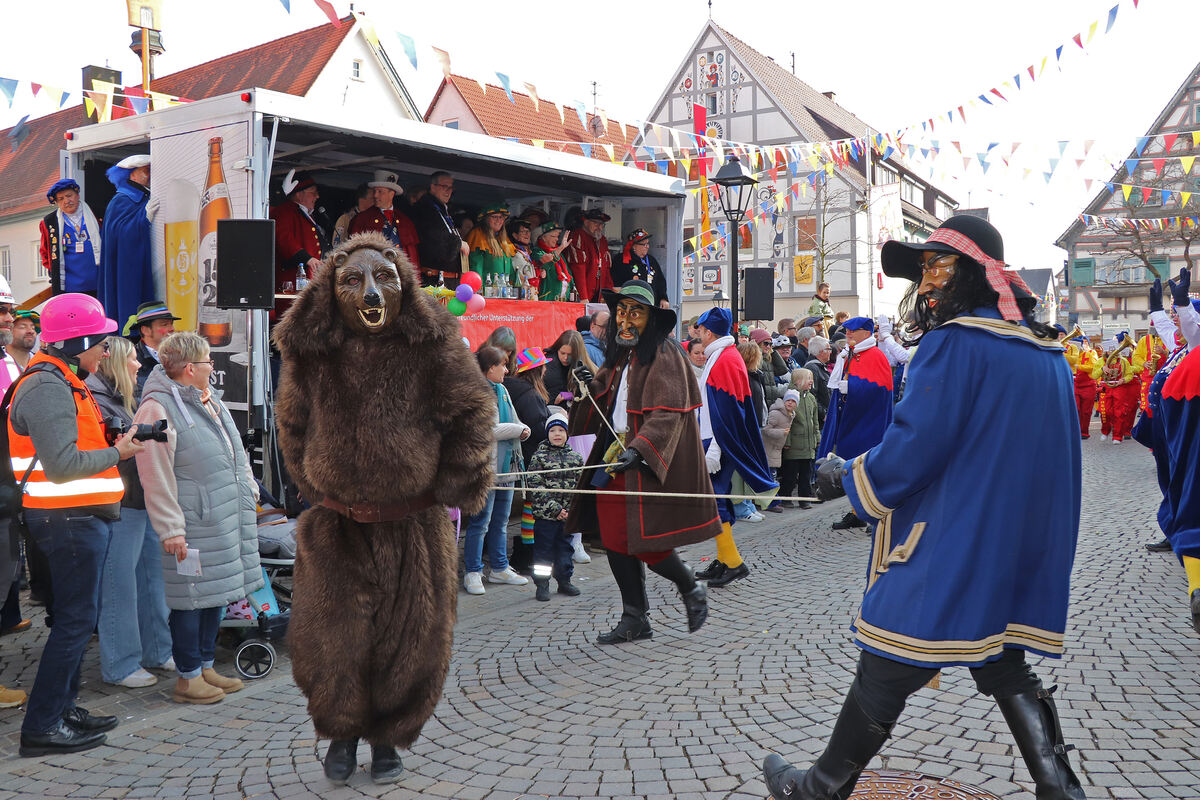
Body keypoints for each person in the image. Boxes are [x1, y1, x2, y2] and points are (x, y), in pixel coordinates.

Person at [762, 214, 1085, 800]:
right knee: (1002, 659)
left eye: (938, 266)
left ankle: (819, 788)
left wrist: (850, 476)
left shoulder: (954, 343)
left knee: (888, 656)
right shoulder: (1046, 351)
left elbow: (916, 445)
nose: (928, 284)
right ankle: (1060, 788)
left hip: (955, 536)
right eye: (925, 271)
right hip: (1019, 542)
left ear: (972, 274)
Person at [13, 293, 144, 757]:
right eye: (101, 342)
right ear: (79, 339)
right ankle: (43, 725)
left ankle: (63, 709)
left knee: (76, 619)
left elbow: (71, 444)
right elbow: (64, 464)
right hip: (68, 519)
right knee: (74, 623)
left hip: (78, 517)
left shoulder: (64, 377)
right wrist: (120, 452)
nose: (105, 350)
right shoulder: (49, 384)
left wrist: (110, 439)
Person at [565, 280, 714, 643]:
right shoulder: (621, 354)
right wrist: (590, 384)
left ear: (652, 319)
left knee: (645, 539)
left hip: (648, 460)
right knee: (616, 539)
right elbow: (608, 398)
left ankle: (690, 584)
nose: (626, 319)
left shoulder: (664, 353)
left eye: (636, 311)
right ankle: (635, 617)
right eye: (621, 311)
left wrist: (641, 448)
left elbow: (667, 413)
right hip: (616, 455)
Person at [133, 332, 263, 706]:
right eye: (208, 361)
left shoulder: (210, 400)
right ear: (190, 369)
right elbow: (154, 472)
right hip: (192, 520)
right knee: (189, 599)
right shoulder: (156, 409)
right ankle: (188, 677)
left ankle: (205, 666)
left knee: (214, 596)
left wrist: (248, 489)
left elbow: (235, 451)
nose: (212, 366)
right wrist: (170, 528)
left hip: (222, 515)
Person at [86, 336, 174, 688]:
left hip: (139, 499)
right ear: (114, 363)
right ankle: (121, 663)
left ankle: (157, 650)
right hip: (117, 505)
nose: (139, 365)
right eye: (133, 359)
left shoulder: (121, 396)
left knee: (152, 581)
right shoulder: (97, 397)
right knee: (120, 584)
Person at [692, 307, 778, 588]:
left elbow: (727, 412)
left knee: (716, 499)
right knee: (720, 498)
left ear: (708, 331)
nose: (698, 335)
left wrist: (715, 449)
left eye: (700, 330)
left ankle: (733, 562)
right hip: (715, 438)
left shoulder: (725, 359)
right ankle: (723, 560)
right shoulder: (723, 355)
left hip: (718, 441)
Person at [463, 346, 530, 595]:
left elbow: (513, 419)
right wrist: (517, 429)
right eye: (502, 365)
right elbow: (486, 430)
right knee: (481, 521)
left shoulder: (502, 390)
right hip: (487, 468)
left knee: (501, 520)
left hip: (507, 465)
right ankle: (473, 571)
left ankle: (500, 567)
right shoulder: (476, 393)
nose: (507, 369)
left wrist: (523, 429)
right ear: (490, 368)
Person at [816, 317, 893, 530]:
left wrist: (853, 387)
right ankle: (857, 511)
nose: (848, 334)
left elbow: (880, 388)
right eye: (847, 330)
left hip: (869, 423)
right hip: (851, 419)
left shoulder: (875, 355)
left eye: (853, 330)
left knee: (867, 468)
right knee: (851, 466)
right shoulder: (851, 354)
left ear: (866, 333)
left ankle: (875, 514)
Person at [526, 411, 584, 601]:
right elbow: (536, 487)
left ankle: (564, 580)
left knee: (565, 550)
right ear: (547, 433)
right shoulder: (539, 457)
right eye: (553, 430)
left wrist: (570, 511)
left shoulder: (575, 458)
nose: (557, 434)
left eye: (561, 430)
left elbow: (580, 487)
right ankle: (542, 584)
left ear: (567, 434)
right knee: (543, 553)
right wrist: (555, 509)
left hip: (566, 517)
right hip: (546, 517)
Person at [100, 155, 156, 327]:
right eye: (146, 171)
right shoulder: (121, 200)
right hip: (127, 270)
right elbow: (122, 236)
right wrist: (144, 219)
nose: (150, 175)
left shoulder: (142, 197)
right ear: (132, 175)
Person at [271, 171, 331, 320]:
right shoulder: (284, 211)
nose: (317, 197)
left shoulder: (305, 215)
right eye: (313, 193)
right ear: (299, 194)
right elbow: (284, 239)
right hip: (291, 283)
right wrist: (308, 259)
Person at [39, 178, 102, 296]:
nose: (66, 201)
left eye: (69, 196)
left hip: (98, 281)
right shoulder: (49, 222)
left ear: (77, 195)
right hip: (69, 286)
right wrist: (54, 272)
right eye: (61, 199)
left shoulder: (96, 214)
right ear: (56, 202)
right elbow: (45, 253)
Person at [349, 170, 420, 268]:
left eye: (380, 192)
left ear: (391, 194)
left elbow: (413, 258)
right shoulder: (362, 219)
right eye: (375, 191)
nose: (375, 195)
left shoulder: (405, 221)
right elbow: (355, 254)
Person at [411, 171, 468, 287]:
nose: (448, 191)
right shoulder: (424, 209)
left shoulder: (442, 209)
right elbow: (432, 237)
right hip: (432, 281)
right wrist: (459, 243)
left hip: (448, 281)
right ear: (433, 187)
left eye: (451, 188)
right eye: (444, 187)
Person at [123, 300, 179, 400]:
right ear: (146, 330)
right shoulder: (130, 361)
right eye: (165, 324)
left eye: (171, 324)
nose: (172, 329)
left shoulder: (181, 357)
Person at [780, 373, 820, 509]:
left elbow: (815, 421)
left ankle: (804, 499)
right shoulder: (790, 397)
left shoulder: (811, 398)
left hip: (808, 444)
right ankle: (785, 497)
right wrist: (787, 441)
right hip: (794, 444)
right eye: (808, 378)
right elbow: (786, 421)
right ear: (798, 381)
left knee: (806, 474)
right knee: (790, 474)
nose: (811, 381)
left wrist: (817, 437)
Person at [564, 208, 613, 302]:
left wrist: (608, 294)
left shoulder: (602, 240)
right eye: (596, 223)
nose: (599, 227)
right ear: (586, 222)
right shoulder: (578, 236)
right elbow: (578, 269)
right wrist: (583, 297)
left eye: (601, 224)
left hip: (598, 295)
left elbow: (606, 269)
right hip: (583, 295)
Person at [612, 228, 669, 307]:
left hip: (651, 304)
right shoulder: (622, 260)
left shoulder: (651, 260)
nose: (647, 247)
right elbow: (616, 282)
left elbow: (660, 281)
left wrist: (663, 298)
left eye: (648, 244)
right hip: (630, 304)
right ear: (634, 246)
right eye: (644, 244)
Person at [1099, 332, 1139, 444]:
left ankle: (1125, 431)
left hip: (1129, 383)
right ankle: (1114, 429)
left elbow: (1139, 367)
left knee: (1129, 409)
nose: (1121, 345)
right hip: (1115, 384)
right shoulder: (1111, 356)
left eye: (1122, 342)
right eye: (1120, 343)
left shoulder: (1133, 353)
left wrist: (1127, 368)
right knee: (1110, 410)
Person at [761, 389, 797, 512]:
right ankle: (772, 503)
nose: (790, 403)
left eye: (793, 401)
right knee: (771, 477)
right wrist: (781, 432)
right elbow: (765, 430)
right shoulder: (776, 414)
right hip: (769, 449)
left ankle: (772, 501)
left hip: (776, 449)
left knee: (772, 476)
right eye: (788, 400)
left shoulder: (791, 415)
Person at [466, 206, 516, 289]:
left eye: (501, 217)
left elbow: (510, 271)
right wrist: (478, 290)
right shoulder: (478, 235)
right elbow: (476, 267)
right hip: (487, 293)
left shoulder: (504, 239)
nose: (498, 220)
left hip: (505, 293)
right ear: (486, 219)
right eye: (494, 217)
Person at [545, 330, 594, 409]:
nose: (565, 358)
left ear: (578, 353)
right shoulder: (548, 366)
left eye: (570, 354)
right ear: (557, 349)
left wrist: (570, 395)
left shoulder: (586, 367)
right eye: (562, 353)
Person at [1065, 334, 1103, 439]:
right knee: (1075, 408)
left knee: (1086, 411)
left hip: (1088, 386)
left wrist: (1080, 367)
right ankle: (1074, 431)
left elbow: (1094, 367)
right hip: (1075, 385)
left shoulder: (1090, 354)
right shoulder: (1071, 356)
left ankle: (1084, 432)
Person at [532, 223, 575, 302]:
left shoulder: (560, 254)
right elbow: (545, 263)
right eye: (553, 236)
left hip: (563, 301)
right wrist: (561, 248)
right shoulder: (537, 252)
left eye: (557, 236)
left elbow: (568, 273)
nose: (556, 239)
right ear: (543, 237)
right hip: (547, 301)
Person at [803, 335, 832, 424]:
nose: (830, 352)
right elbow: (811, 395)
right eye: (828, 349)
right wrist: (823, 414)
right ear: (821, 351)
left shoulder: (820, 367)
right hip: (820, 421)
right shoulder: (812, 368)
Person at [507, 218, 536, 297]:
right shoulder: (515, 253)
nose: (527, 234)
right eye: (523, 232)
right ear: (515, 235)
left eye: (528, 231)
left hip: (531, 293)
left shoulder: (527, 252)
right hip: (522, 295)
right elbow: (518, 279)